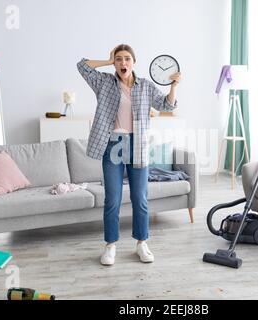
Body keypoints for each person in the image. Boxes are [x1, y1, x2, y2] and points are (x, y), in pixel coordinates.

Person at [77, 44, 181, 266]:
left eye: (126, 59)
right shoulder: (104, 82)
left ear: (134, 62)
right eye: (118, 59)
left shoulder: (145, 86)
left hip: (138, 145)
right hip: (113, 143)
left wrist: (174, 85)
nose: (123, 63)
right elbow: (82, 66)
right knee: (112, 199)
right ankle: (110, 246)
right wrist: (107, 60)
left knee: (140, 199)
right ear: (114, 62)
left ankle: (141, 243)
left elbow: (167, 105)